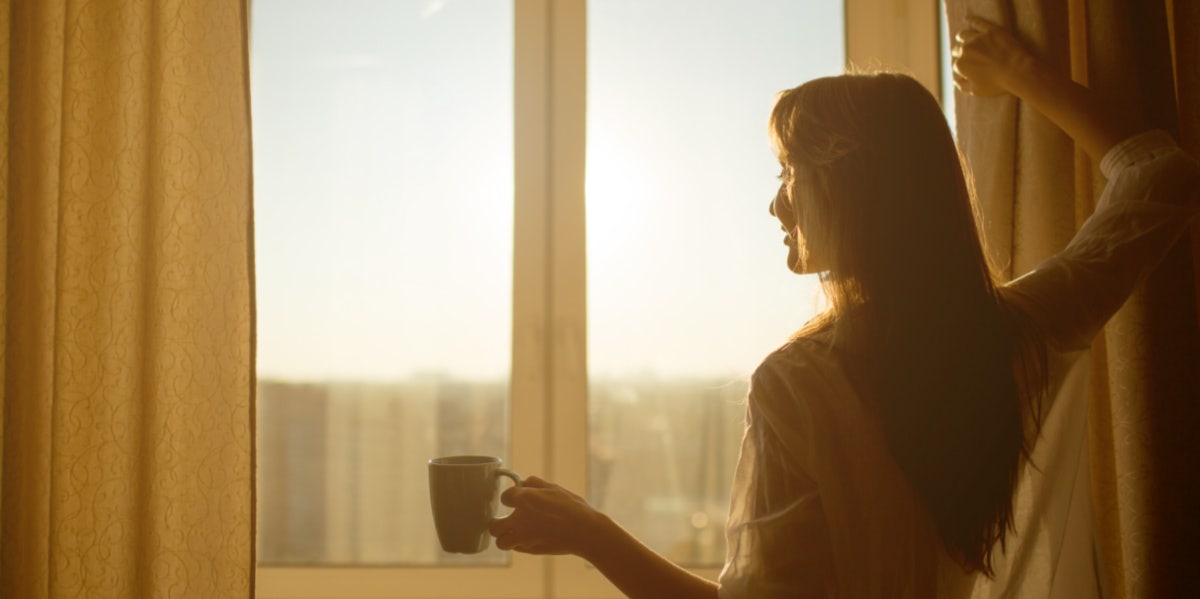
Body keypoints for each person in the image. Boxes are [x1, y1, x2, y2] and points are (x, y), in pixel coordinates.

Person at [486, 16, 1200, 598]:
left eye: (790, 172)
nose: (775, 202)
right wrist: (1019, 72)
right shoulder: (1012, 337)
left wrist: (593, 533)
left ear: (852, 189)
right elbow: (1156, 177)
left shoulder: (796, 386)